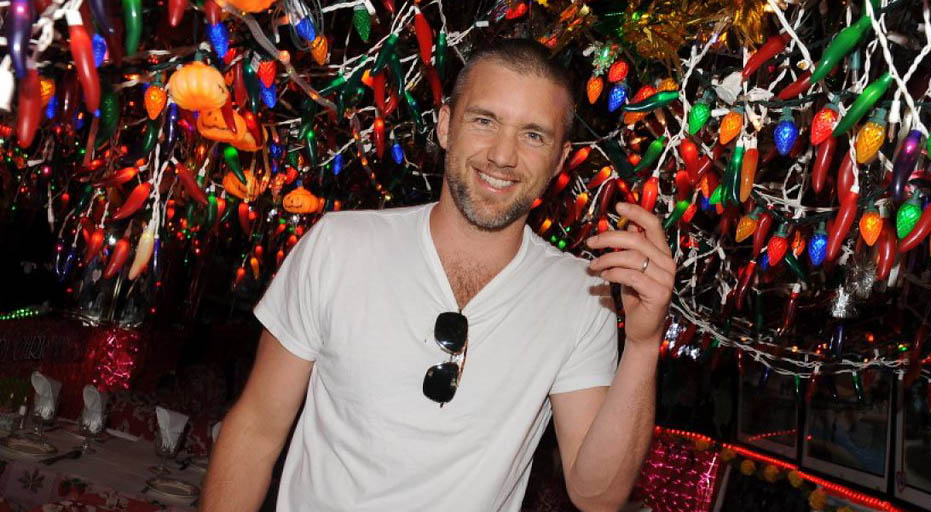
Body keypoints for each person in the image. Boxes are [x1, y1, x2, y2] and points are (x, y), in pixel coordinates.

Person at [199, 38, 676, 511]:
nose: (503, 156)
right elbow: (256, 430)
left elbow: (597, 496)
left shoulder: (581, 293)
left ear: (558, 158)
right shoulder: (340, 245)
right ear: (446, 125)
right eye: (485, 121)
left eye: (534, 135)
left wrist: (641, 344)